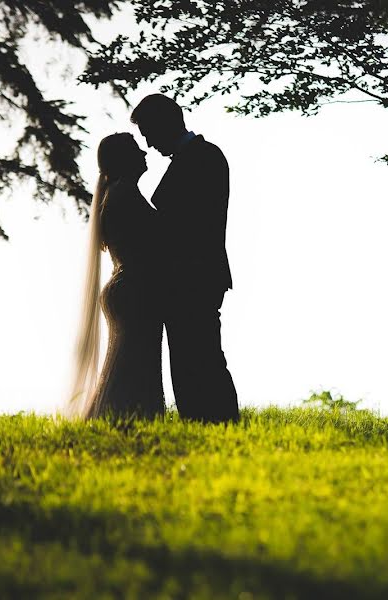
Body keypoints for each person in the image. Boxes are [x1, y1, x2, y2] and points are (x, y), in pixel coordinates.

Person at [131, 94, 240, 424]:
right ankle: (200, 421)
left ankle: (218, 422)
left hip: (195, 275)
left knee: (202, 354)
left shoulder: (203, 157)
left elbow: (186, 224)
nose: (148, 145)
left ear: (164, 124)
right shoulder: (193, 158)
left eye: (148, 134)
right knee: (188, 354)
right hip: (186, 276)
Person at [64, 132, 165, 421]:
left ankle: (119, 421)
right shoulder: (125, 194)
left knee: (126, 362)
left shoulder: (116, 194)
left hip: (126, 288)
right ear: (124, 159)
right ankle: (127, 420)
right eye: (136, 150)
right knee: (135, 363)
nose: (144, 154)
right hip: (135, 290)